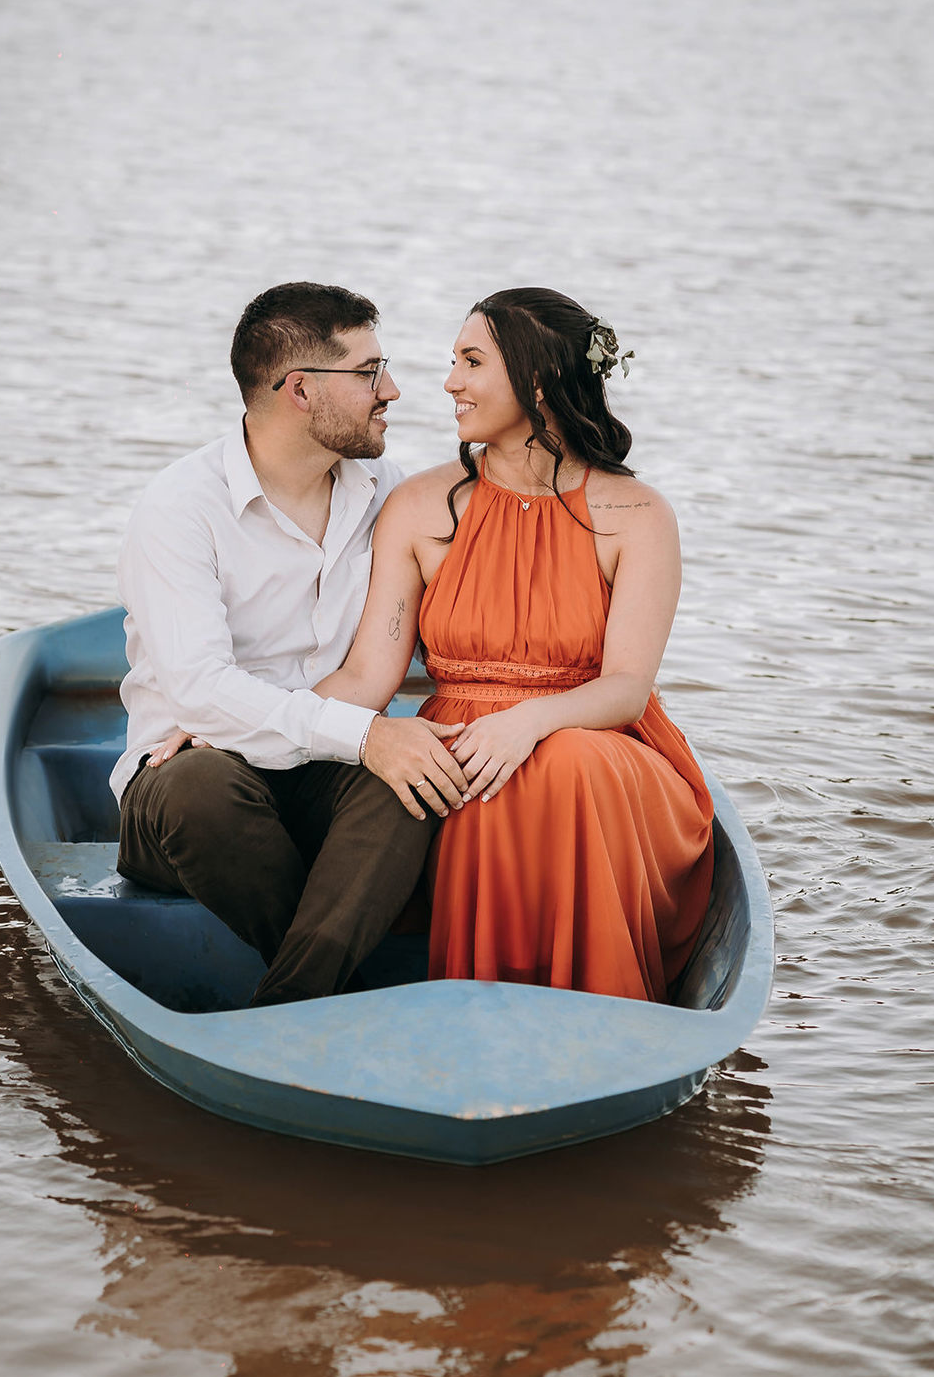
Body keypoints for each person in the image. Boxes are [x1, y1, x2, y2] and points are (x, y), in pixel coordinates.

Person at [312, 287, 715, 1002]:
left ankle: (597, 1012)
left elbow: (626, 685)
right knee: (468, 769)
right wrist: (243, 716)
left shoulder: (636, 513)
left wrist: (527, 723)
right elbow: (367, 677)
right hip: (466, 750)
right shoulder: (421, 508)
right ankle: (480, 1017)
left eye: (471, 362)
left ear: (537, 380)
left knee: (562, 762)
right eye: (454, 361)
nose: (449, 383)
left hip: (599, 745)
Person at [111, 281, 469, 1008]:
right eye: (369, 372)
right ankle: (344, 999)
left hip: (314, 771)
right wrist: (363, 733)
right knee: (203, 788)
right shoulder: (180, 509)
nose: (393, 390)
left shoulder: (386, 492)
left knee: (410, 781)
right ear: (300, 390)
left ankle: (295, 1006)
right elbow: (202, 692)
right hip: (184, 785)